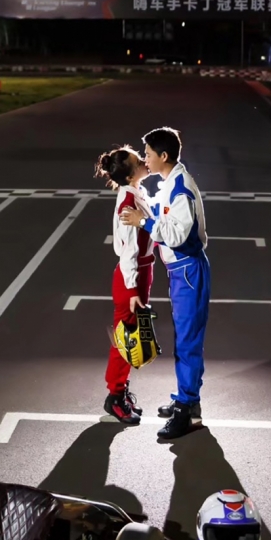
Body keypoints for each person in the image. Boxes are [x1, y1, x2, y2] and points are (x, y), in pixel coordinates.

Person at [121, 126, 210, 440]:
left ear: (164, 156)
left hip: (188, 270)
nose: (145, 159)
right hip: (181, 271)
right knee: (184, 341)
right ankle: (187, 401)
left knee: (188, 343)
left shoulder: (180, 189)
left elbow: (176, 234)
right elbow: (166, 216)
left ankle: (188, 411)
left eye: (147, 153)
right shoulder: (170, 184)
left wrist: (142, 221)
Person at [95, 146, 155, 425]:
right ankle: (114, 396)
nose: (145, 162)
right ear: (132, 174)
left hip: (141, 272)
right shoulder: (128, 203)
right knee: (127, 338)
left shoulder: (135, 193)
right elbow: (129, 250)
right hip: (132, 276)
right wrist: (132, 290)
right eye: (139, 160)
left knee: (133, 334)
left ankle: (121, 390)